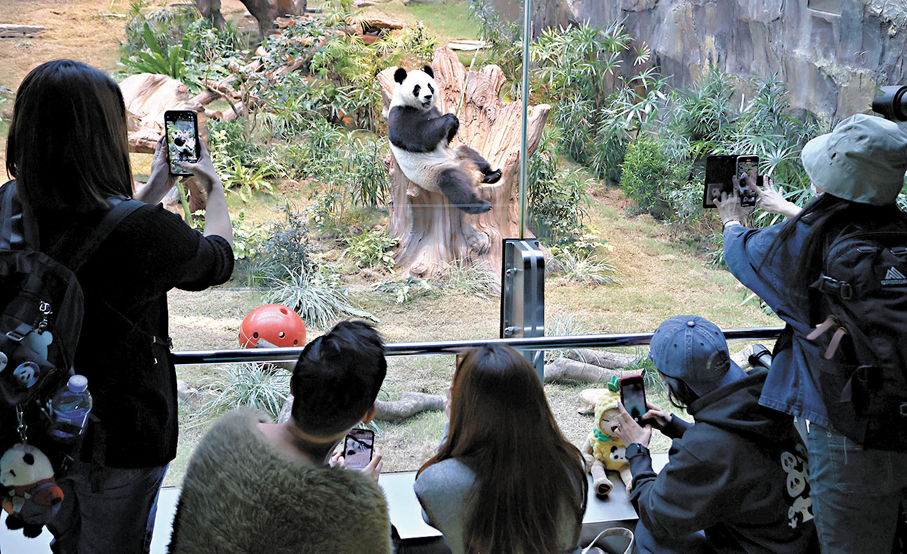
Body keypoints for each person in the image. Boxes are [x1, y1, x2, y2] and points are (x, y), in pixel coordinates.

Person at [3, 59, 234, 553]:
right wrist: (210, 186)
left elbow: (80, 244)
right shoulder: (144, 233)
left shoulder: (5, 206)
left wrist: (151, 193)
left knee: (64, 533)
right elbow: (217, 260)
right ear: (103, 136)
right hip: (119, 436)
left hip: (32, 430)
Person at [715, 114, 907, 554]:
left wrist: (731, 220)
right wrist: (788, 210)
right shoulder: (900, 231)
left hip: (851, 433)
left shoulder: (803, 243)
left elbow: (745, 255)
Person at [168, 320, 393, 554]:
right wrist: (362, 496)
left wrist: (331, 475)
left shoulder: (226, 433)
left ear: (293, 385)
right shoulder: (355, 509)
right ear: (368, 415)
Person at [613, 315, 819, 554]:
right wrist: (672, 425)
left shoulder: (707, 450)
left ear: (677, 386)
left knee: (650, 534)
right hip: (801, 542)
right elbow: (737, 453)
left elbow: (655, 513)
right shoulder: (766, 398)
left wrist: (637, 451)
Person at [414, 344, 588, 554]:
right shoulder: (569, 465)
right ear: (535, 401)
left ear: (466, 408)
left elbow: (433, 514)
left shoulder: (437, 484)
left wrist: (453, 425)